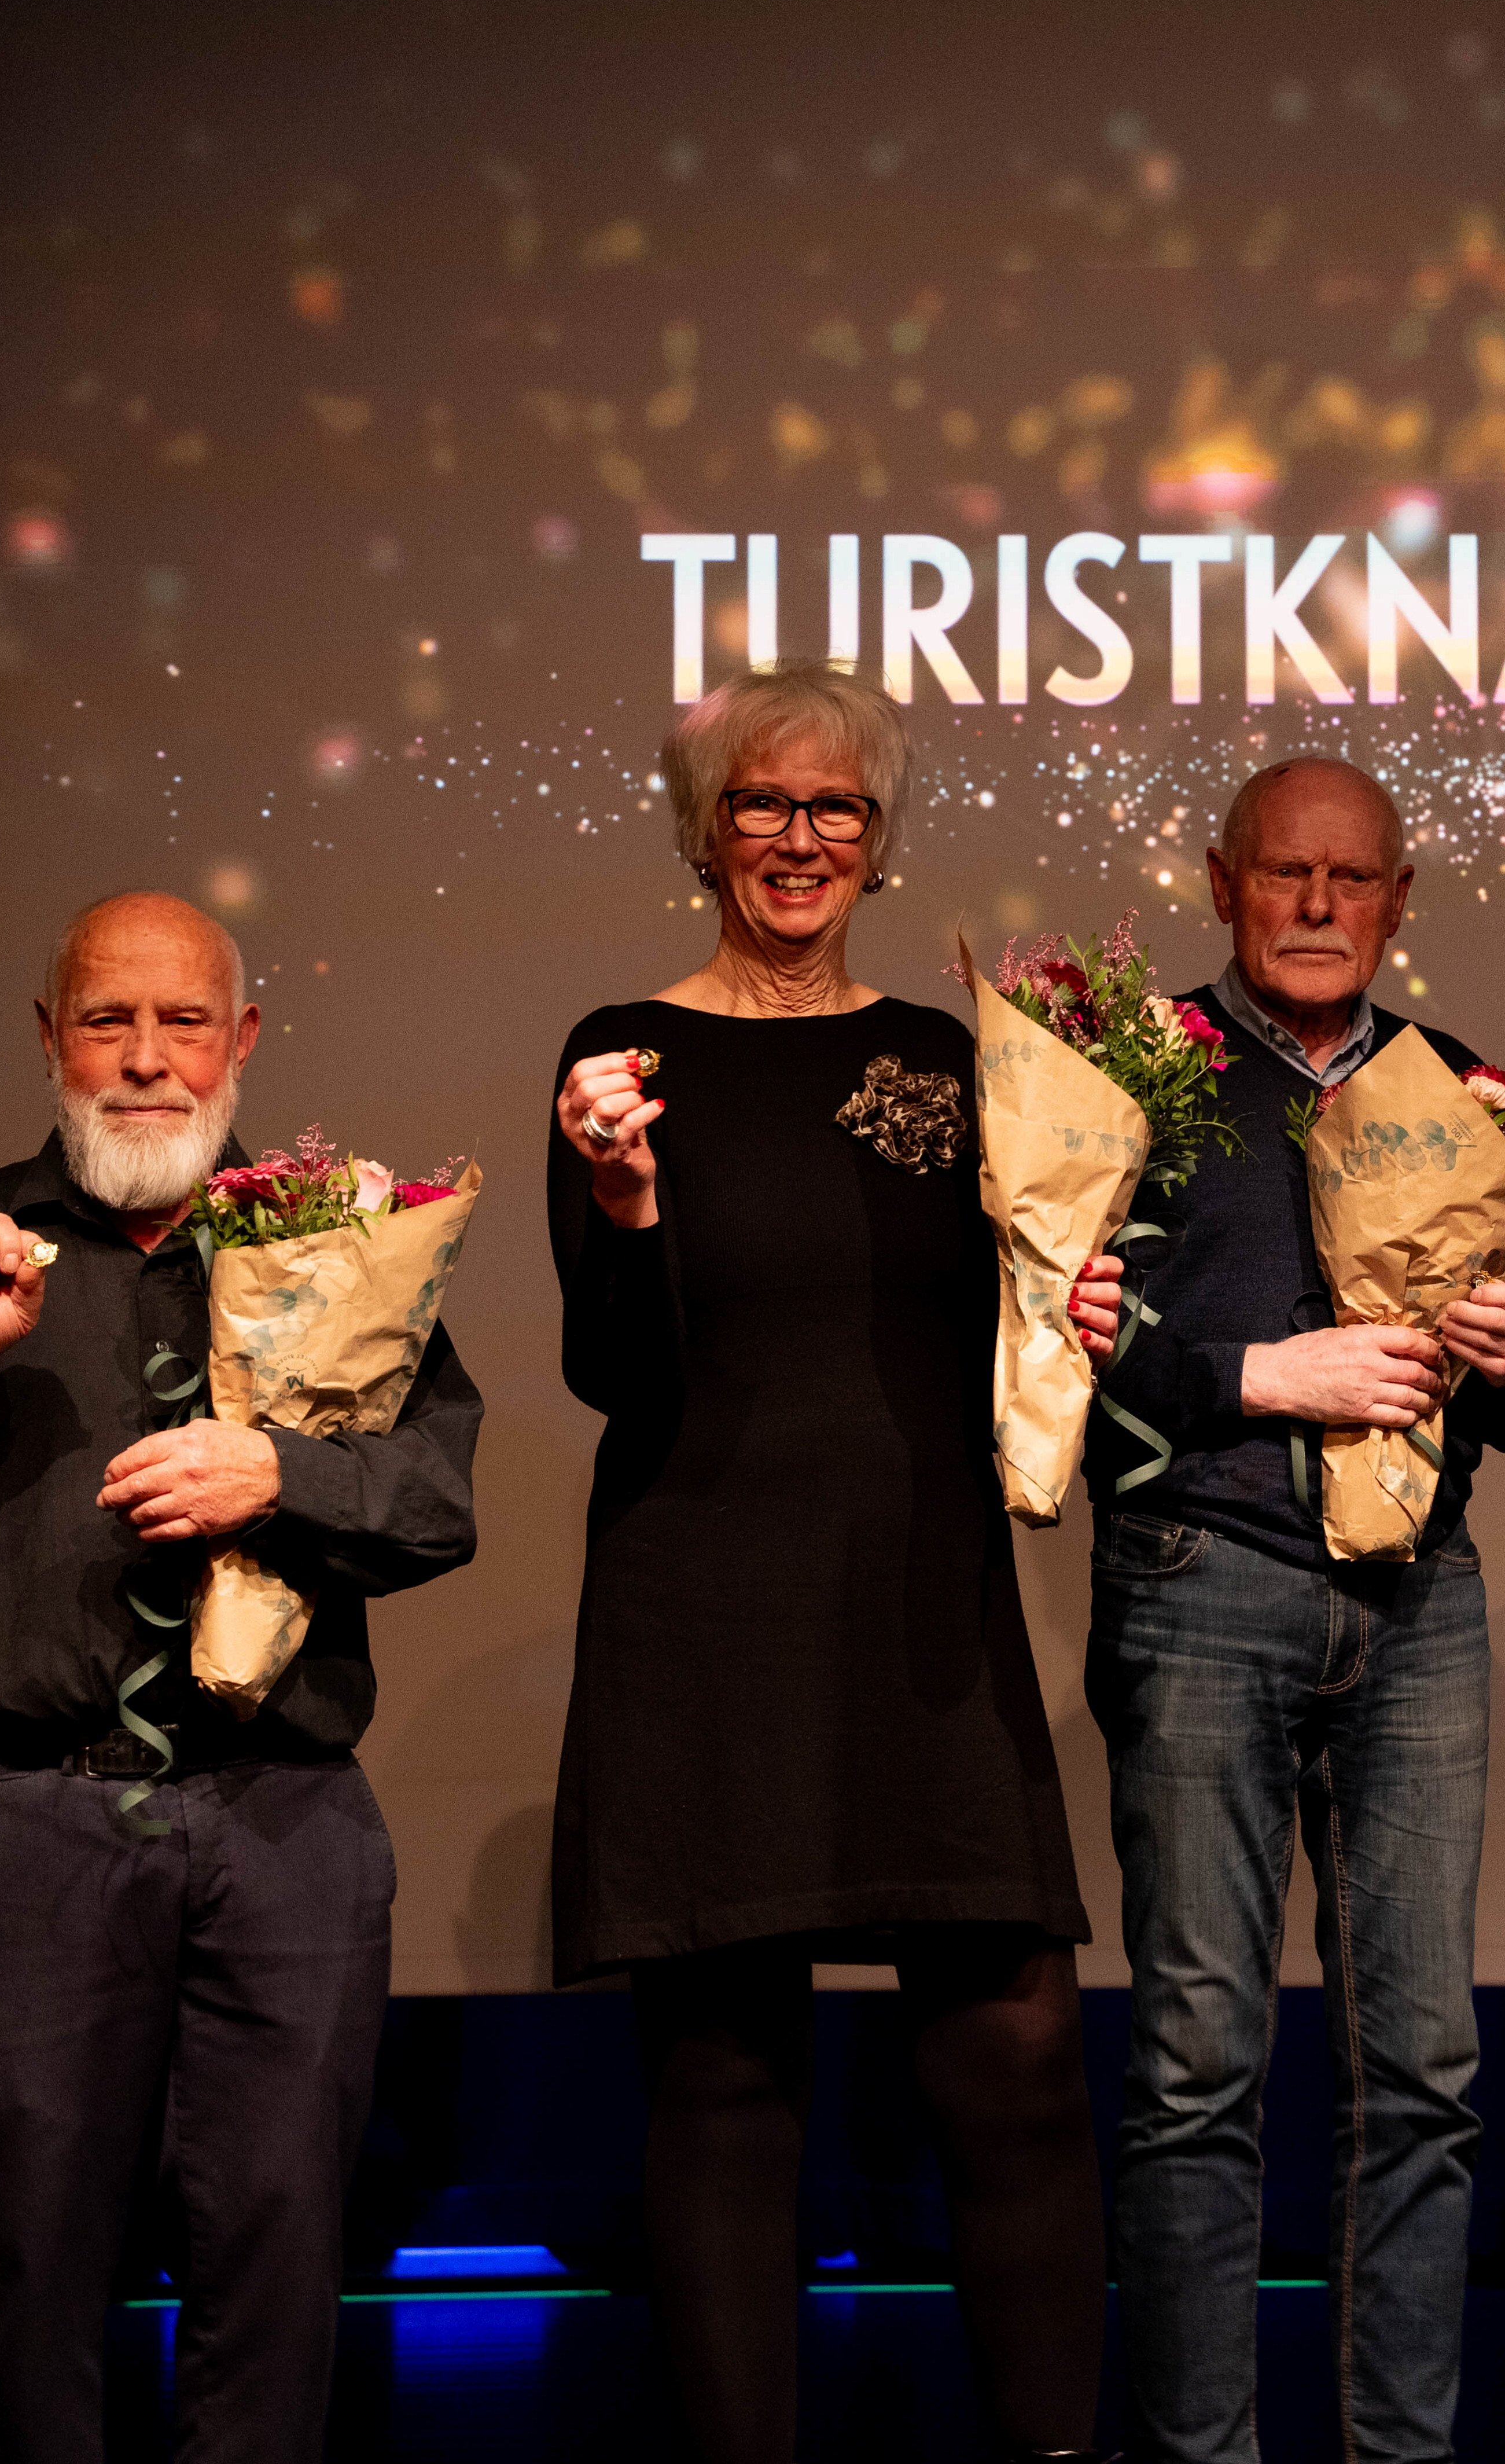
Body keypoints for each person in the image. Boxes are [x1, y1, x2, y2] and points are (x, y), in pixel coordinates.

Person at [0, 891, 481, 2464]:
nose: (145, 1060)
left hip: (288, 1828)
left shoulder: (337, 1247)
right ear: (50, 1041)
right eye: (107, 1021)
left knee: (282, 2265)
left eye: (181, 1023)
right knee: (20, 2269)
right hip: (32, 1828)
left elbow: (438, 1502)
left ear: (243, 1043)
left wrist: (277, 1476)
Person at [547, 660, 1107, 2464]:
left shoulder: (943, 1062)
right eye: (762, 807)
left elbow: (1001, 1323)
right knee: (723, 2070)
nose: (799, 838)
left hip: (920, 1604)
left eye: (836, 810)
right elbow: (610, 1374)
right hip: (702, 1612)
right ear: (704, 836)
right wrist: (628, 1207)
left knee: (1016, 2051)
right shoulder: (620, 1056)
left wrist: (1069, 1314)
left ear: (879, 845)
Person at [1063, 756, 1505, 2464]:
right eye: (1288, 876)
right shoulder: (1143, 1081)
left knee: (1423, 2077)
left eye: (1354, 882)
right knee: (1198, 2073)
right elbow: (1067, 1368)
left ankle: (1395, 2455)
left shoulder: (1459, 1089)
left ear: (1402, 898)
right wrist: (1256, 1375)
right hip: (1203, 1584)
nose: (1320, 908)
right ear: (1225, 882)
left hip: (1419, 1608)